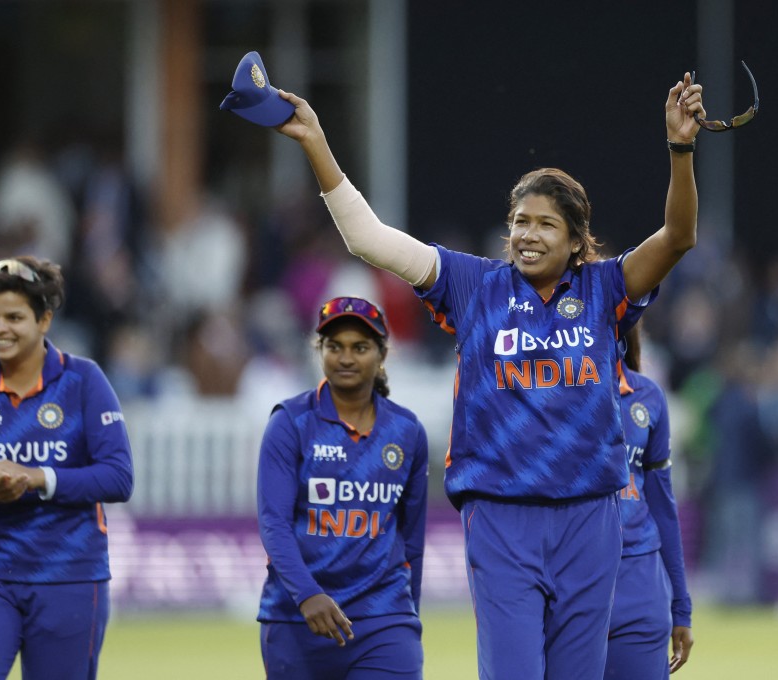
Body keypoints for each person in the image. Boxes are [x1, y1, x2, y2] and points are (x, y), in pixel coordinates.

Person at [266, 65, 704, 680]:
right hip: (501, 515)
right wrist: (317, 144)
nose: (526, 235)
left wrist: (680, 148)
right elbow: (367, 238)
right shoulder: (473, 286)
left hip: (591, 517)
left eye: (545, 224)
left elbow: (679, 236)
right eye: (519, 222)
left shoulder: (605, 289)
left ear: (578, 241)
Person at [0, 255, 134, 679]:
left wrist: (37, 479)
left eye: (14, 317)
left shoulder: (83, 381)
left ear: (44, 321)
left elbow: (118, 476)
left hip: (70, 576)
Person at [256, 296, 429, 680]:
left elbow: (413, 538)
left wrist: (408, 613)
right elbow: (274, 524)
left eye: (360, 348)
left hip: (383, 619)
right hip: (297, 619)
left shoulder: (407, 431)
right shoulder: (291, 422)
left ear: (382, 354)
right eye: (335, 347)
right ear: (320, 351)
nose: (346, 358)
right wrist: (307, 595)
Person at [607, 323, 693, 678]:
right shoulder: (540, 391)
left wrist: (681, 608)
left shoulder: (647, 398)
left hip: (638, 584)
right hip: (568, 586)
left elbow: (662, 507)